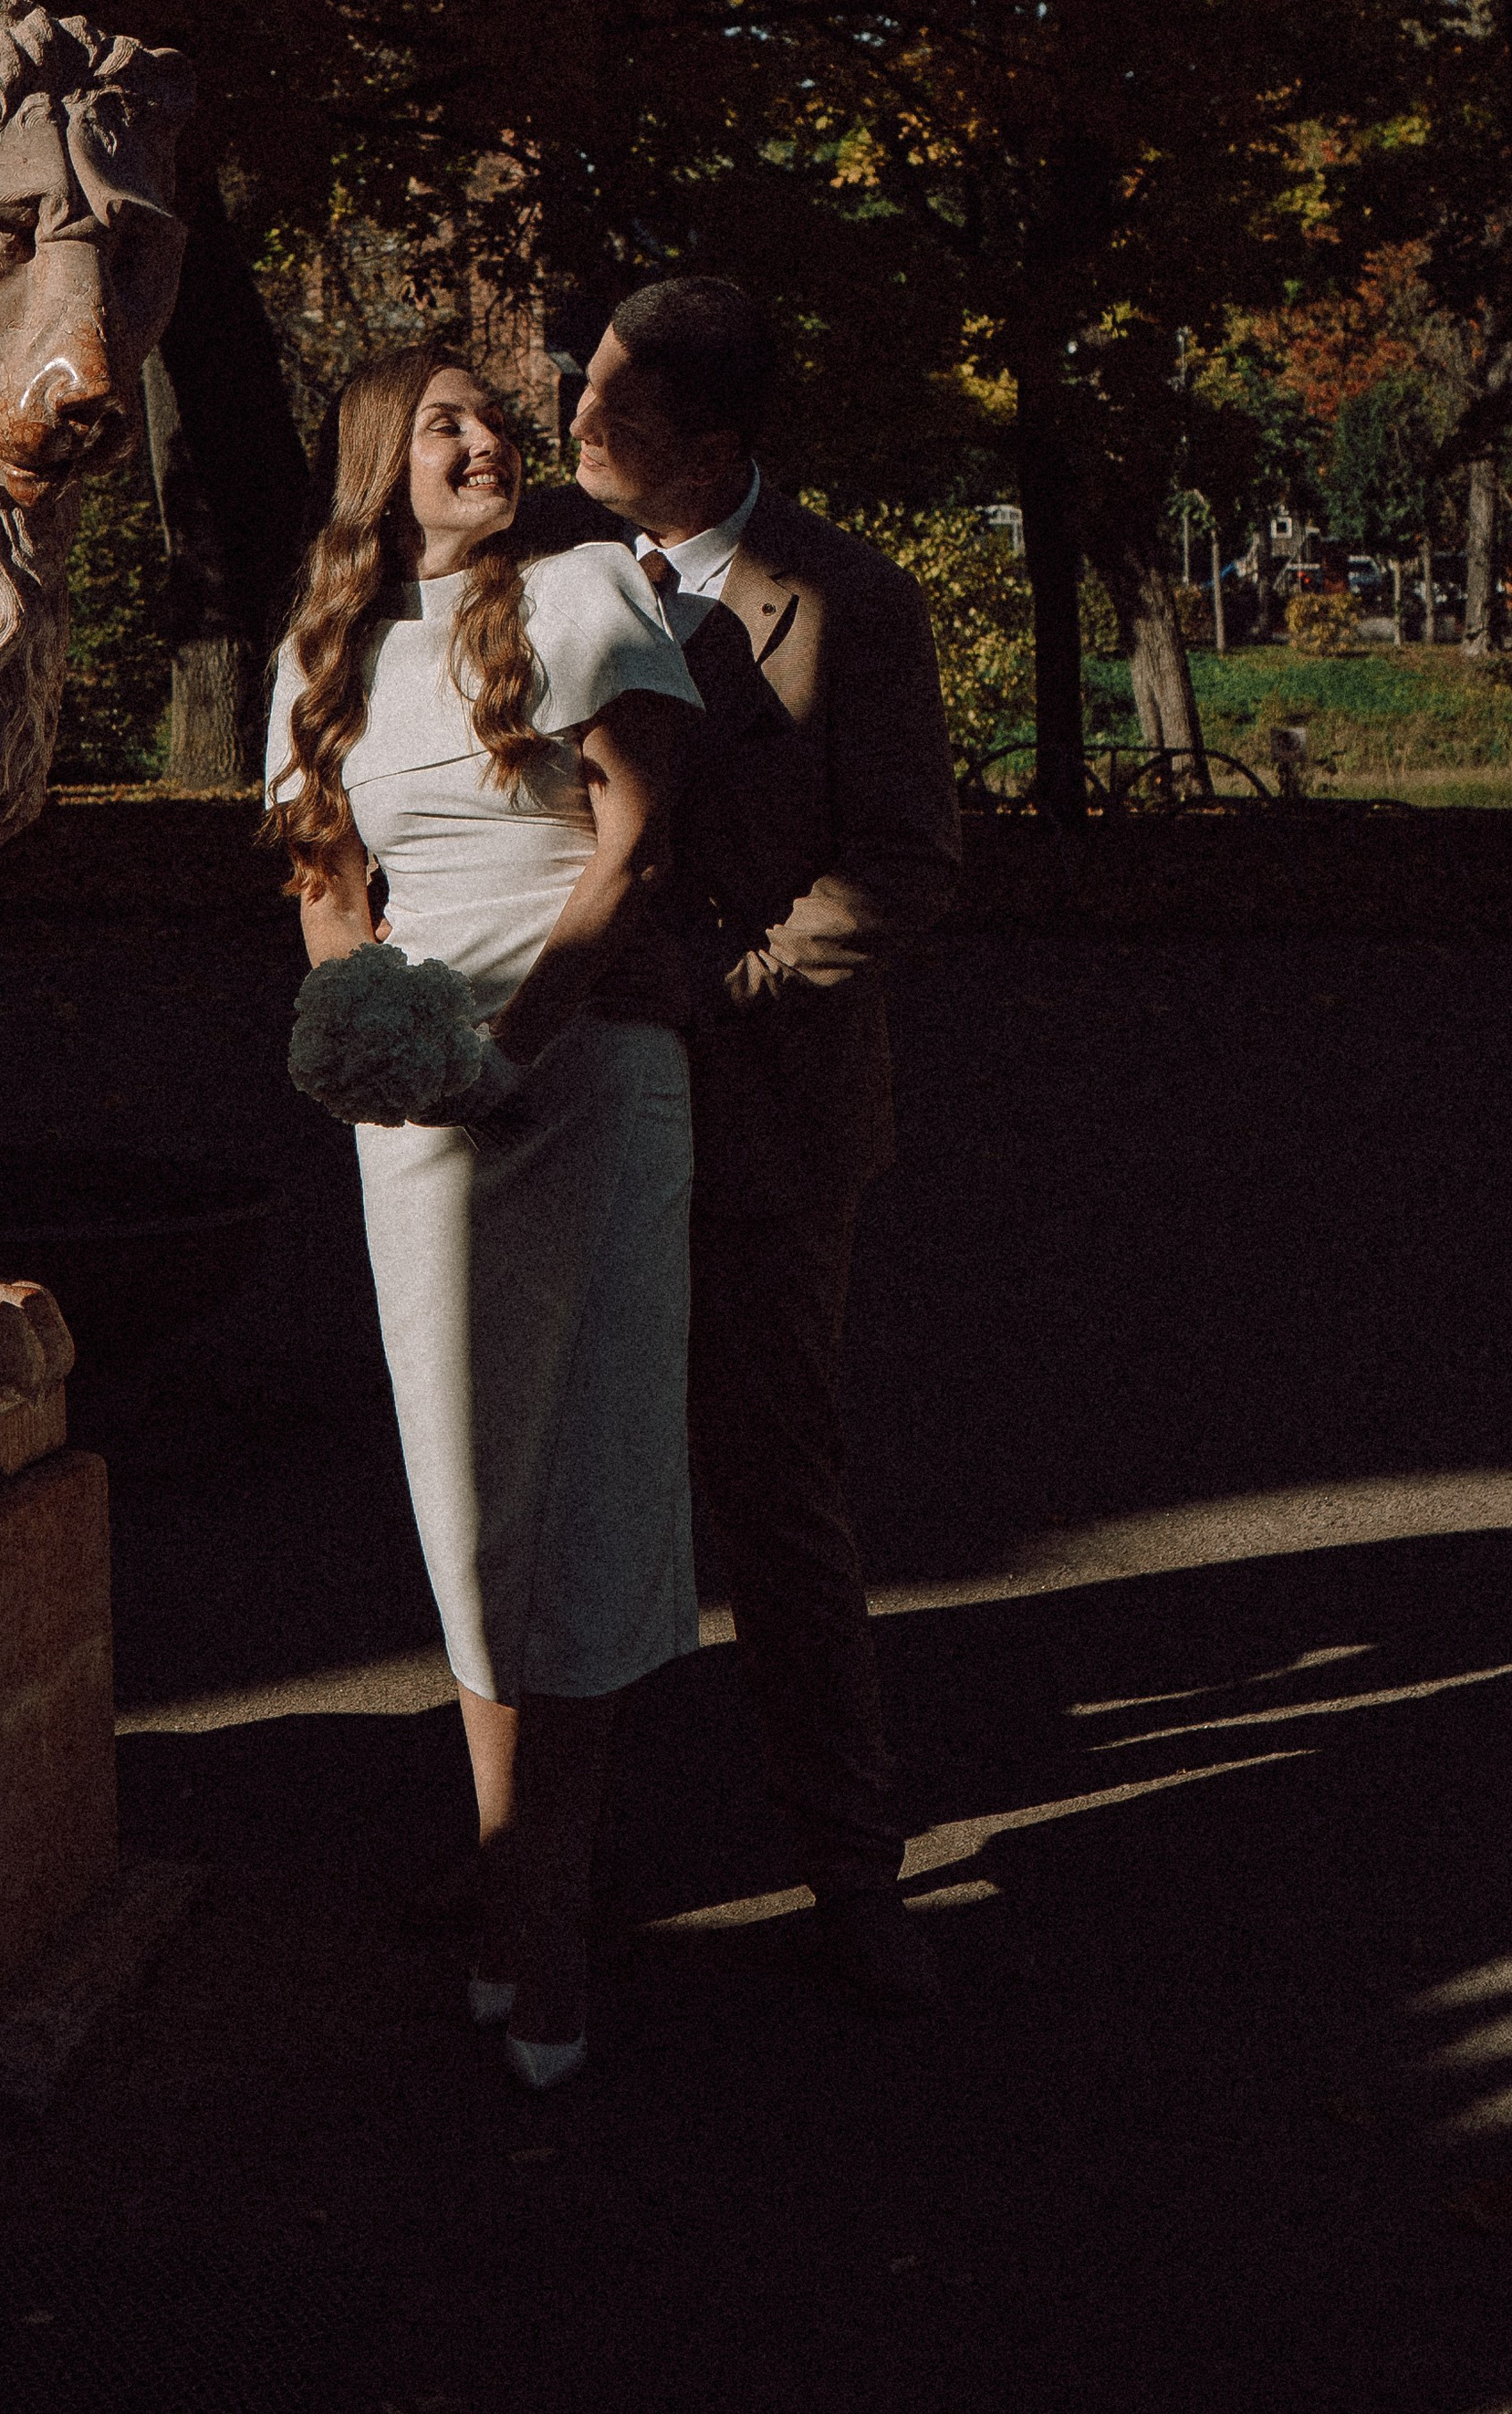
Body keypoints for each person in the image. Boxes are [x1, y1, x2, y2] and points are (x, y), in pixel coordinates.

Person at [265, 337, 704, 2091]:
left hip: (590, 1083)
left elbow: (638, 842)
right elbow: (324, 891)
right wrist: (381, 1045)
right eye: (442, 419)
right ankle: (519, 1879)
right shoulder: (327, 663)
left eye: (491, 418)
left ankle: (550, 1926)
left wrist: (520, 1040)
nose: (484, 437)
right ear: (377, 461)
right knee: (464, 1505)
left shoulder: (587, 589)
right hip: (429, 1109)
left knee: (583, 1489)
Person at [572, 275, 962, 2009]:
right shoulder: (540, 582)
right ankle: (538, 1878)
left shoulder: (851, 601)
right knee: (558, 1486)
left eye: (619, 412)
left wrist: (720, 988)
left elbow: (906, 861)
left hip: (766, 1121)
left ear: (718, 445)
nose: (575, 428)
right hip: (566, 1114)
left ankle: (852, 1878)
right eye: (581, 390)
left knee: (778, 1505)